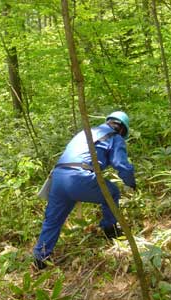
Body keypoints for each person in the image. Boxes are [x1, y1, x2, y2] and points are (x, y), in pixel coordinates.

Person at [33, 111, 136, 269]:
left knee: (53, 221)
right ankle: (110, 229)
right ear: (122, 129)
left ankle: (40, 259)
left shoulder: (85, 132)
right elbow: (121, 164)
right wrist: (131, 183)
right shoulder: (115, 137)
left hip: (58, 177)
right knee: (113, 192)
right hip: (78, 178)